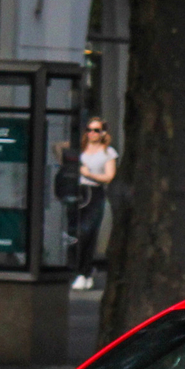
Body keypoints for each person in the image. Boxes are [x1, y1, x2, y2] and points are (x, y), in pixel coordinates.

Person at [68, 115, 117, 289]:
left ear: (103, 133)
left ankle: (83, 271)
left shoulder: (107, 153)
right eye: (89, 130)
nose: (92, 133)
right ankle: (81, 271)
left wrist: (89, 174)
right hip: (78, 191)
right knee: (74, 233)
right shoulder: (80, 149)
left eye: (96, 130)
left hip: (94, 192)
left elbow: (109, 176)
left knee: (88, 233)